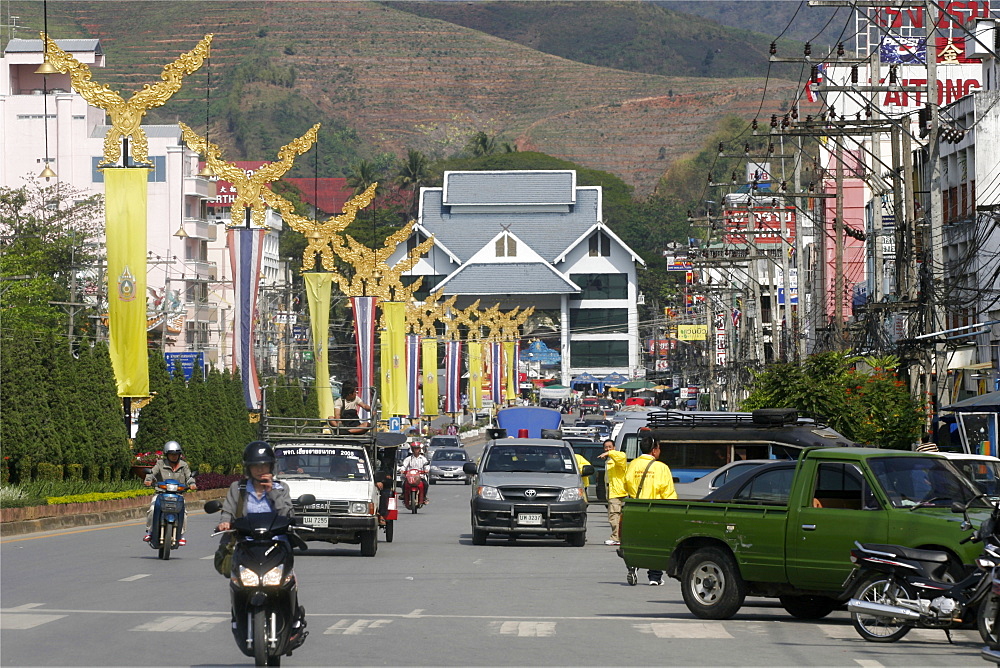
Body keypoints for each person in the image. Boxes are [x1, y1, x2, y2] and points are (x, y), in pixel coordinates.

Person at [215, 441, 306, 646]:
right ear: (248, 468)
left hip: (276, 544)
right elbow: (228, 511)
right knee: (238, 582)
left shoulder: (281, 488)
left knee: (289, 580)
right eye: (256, 466)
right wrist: (224, 523)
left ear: (271, 467)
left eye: (264, 466)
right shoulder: (237, 488)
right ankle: (237, 616)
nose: (260, 470)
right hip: (247, 544)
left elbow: (288, 515)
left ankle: (294, 620)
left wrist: (271, 491)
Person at [624, 436, 677, 585]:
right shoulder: (661, 467)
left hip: (636, 509)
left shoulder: (632, 465)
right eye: (659, 448)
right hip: (656, 510)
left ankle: (634, 564)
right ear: (654, 450)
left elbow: (626, 485)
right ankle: (655, 577)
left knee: (637, 541)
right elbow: (668, 494)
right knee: (655, 544)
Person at [143, 440, 197, 544]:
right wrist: (148, 480)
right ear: (167, 455)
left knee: (184, 512)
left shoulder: (184, 465)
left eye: (176, 454)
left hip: (178, 495)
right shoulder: (160, 463)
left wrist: (192, 484)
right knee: (152, 509)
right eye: (172, 454)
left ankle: (181, 535)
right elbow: (152, 473)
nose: (174, 456)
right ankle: (149, 532)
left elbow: (189, 477)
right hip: (161, 494)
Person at [597, 439, 627, 546]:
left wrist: (609, 453)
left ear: (614, 447)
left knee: (614, 515)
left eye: (610, 447)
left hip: (617, 491)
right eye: (606, 447)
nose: (608, 449)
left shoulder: (618, 459)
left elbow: (622, 456)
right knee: (615, 515)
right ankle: (618, 536)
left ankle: (616, 537)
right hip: (611, 491)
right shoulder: (609, 461)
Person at [398, 442, 430, 507]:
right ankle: (403, 494)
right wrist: (402, 470)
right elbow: (404, 466)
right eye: (414, 448)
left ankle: (424, 497)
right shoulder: (408, 458)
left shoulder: (423, 458)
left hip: (420, 476)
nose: (416, 450)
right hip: (410, 477)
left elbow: (427, 465)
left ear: (419, 449)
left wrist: (426, 470)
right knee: (404, 484)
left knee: (425, 484)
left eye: (417, 448)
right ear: (412, 449)